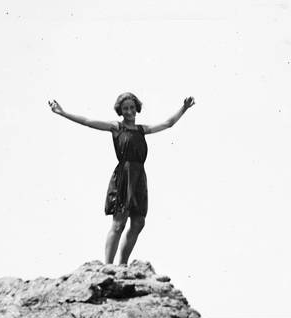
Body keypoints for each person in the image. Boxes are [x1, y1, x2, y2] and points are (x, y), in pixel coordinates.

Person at [48, 92, 194, 264]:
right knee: (119, 223)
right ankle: (108, 266)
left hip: (139, 177)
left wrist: (183, 108)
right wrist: (63, 113)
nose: (130, 111)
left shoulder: (142, 130)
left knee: (139, 222)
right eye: (125, 108)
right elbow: (88, 122)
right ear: (120, 110)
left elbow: (168, 124)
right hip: (124, 176)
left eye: (132, 107)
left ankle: (122, 264)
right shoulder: (116, 127)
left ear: (137, 108)